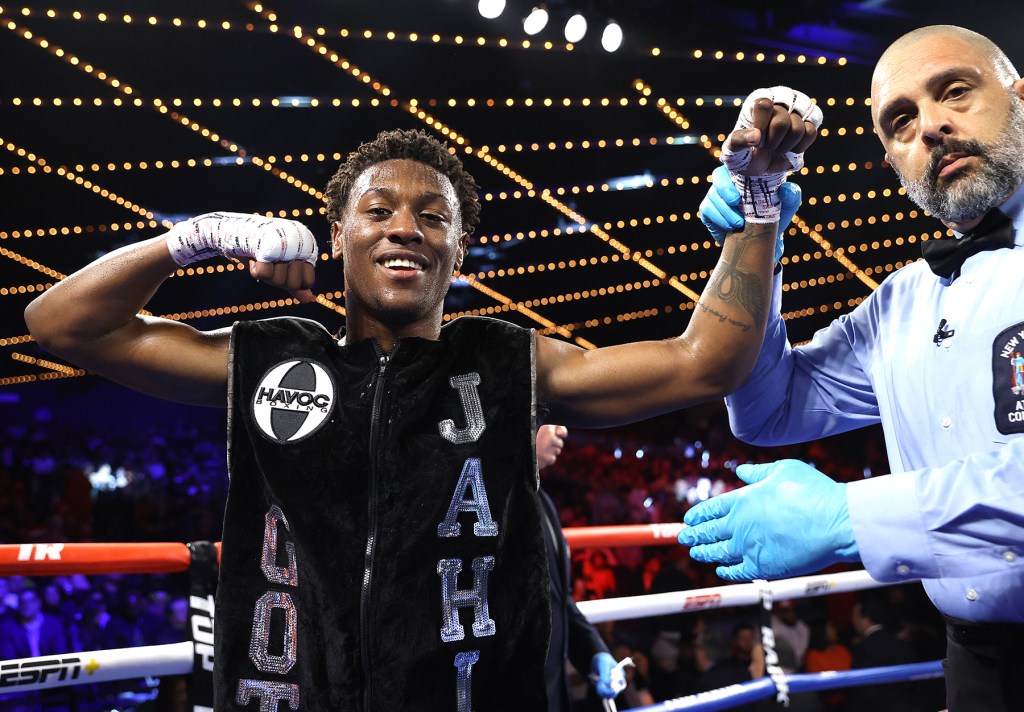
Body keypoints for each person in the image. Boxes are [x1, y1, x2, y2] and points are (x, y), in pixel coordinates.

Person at [24, 105, 817, 710]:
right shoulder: (271, 357)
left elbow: (705, 361)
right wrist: (195, 239)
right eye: (378, 211)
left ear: (458, 248)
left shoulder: (506, 361)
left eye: (432, 216)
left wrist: (758, 205)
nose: (405, 228)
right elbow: (59, 325)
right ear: (337, 236)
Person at [680, 25, 1024, 711]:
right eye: (901, 122)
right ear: (893, 161)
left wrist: (847, 516)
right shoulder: (902, 302)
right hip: (975, 669)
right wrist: (757, 231)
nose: (931, 127)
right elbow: (769, 408)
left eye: (955, 91)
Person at [536, 424, 624, 711]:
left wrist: (593, 651)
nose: (562, 430)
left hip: (551, 693)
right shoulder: (491, 508)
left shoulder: (541, 499)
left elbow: (556, 599)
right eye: (548, 418)